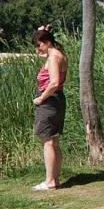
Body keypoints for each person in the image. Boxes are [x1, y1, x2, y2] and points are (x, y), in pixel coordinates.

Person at [33, 25, 67, 191]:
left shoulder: (53, 57)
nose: (37, 49)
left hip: (50, 101)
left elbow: (53, 82)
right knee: (54, 141)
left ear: (47, 42)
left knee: (47, 141)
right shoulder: (59, 54)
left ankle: (50, 181)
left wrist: (41, 98)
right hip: (58, 100)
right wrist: (42, 30)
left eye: (39, 44)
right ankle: (55, 179)